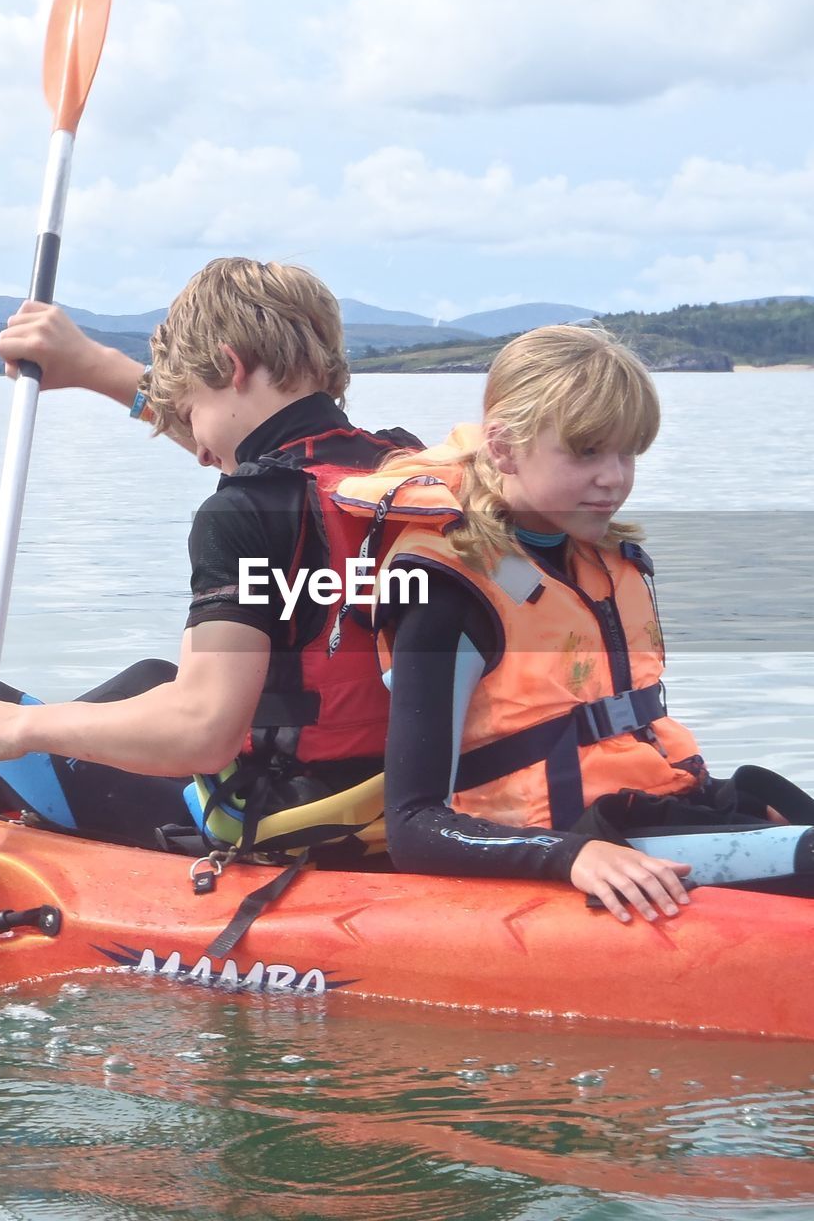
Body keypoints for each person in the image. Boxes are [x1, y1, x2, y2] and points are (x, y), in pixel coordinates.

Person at [0, 258, 419, 858]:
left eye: (190, 409)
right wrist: (96, 369)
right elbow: (264, 468)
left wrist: (18, 728)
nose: (199, 451)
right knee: (155, 676)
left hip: (275, 817)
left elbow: (203, 731)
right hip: (373, 796)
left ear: (229, 366)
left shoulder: (246, 511)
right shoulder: (402, 469)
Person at [335, 324, 814, 920]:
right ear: (505, 448)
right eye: (587, 451)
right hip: (568, 841)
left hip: (654, 812)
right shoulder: (447, 591)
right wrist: (571, 856)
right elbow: (412, 825)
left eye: (628, 452)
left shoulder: (596, 559)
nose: (614, 477)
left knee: (769, 787)